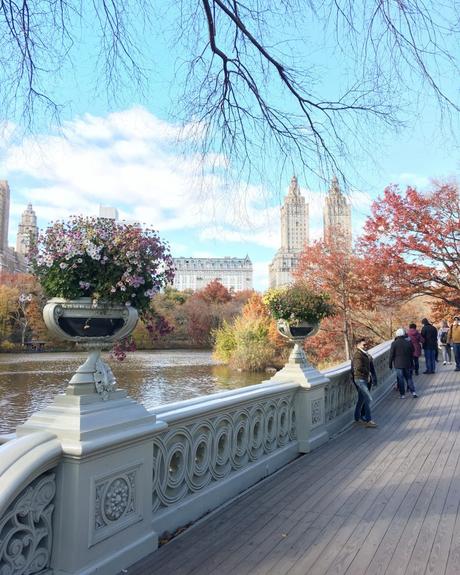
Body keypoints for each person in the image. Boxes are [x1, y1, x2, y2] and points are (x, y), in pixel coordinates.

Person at [351, 338, 377, 427]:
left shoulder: (365, 354)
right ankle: (368, 421)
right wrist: (368, 372)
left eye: (366, 345)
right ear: (358, 345)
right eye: (364, 345)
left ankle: (357, 418)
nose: (366, 346)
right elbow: (358, 367)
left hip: (364, 378)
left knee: (361, 399)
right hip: (360, 379)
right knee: (368, 398)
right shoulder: (357, 355)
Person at [389, 328, 418, 398]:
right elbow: (412, 351)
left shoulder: (394, 343)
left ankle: (402, 394)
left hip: (398, 364)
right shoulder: (408, 342)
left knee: (400, 379)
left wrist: (390, 364)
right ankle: (413, 392)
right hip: (407, 362)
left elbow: (391, 354)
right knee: (409, 378)